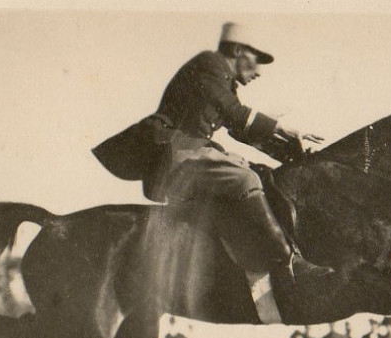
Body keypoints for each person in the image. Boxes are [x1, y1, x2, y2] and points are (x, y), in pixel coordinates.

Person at [91, 22, 333, 316]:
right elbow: (234, 112)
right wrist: (280, 126)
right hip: (176, 153)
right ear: (238, 50)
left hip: (189, 152)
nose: (259, 71)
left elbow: (238, 128)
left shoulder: (222, 76)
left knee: (260, 173)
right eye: (257, 60)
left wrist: (291, 148)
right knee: (246, 179)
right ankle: (287, 260)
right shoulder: (210, 64)